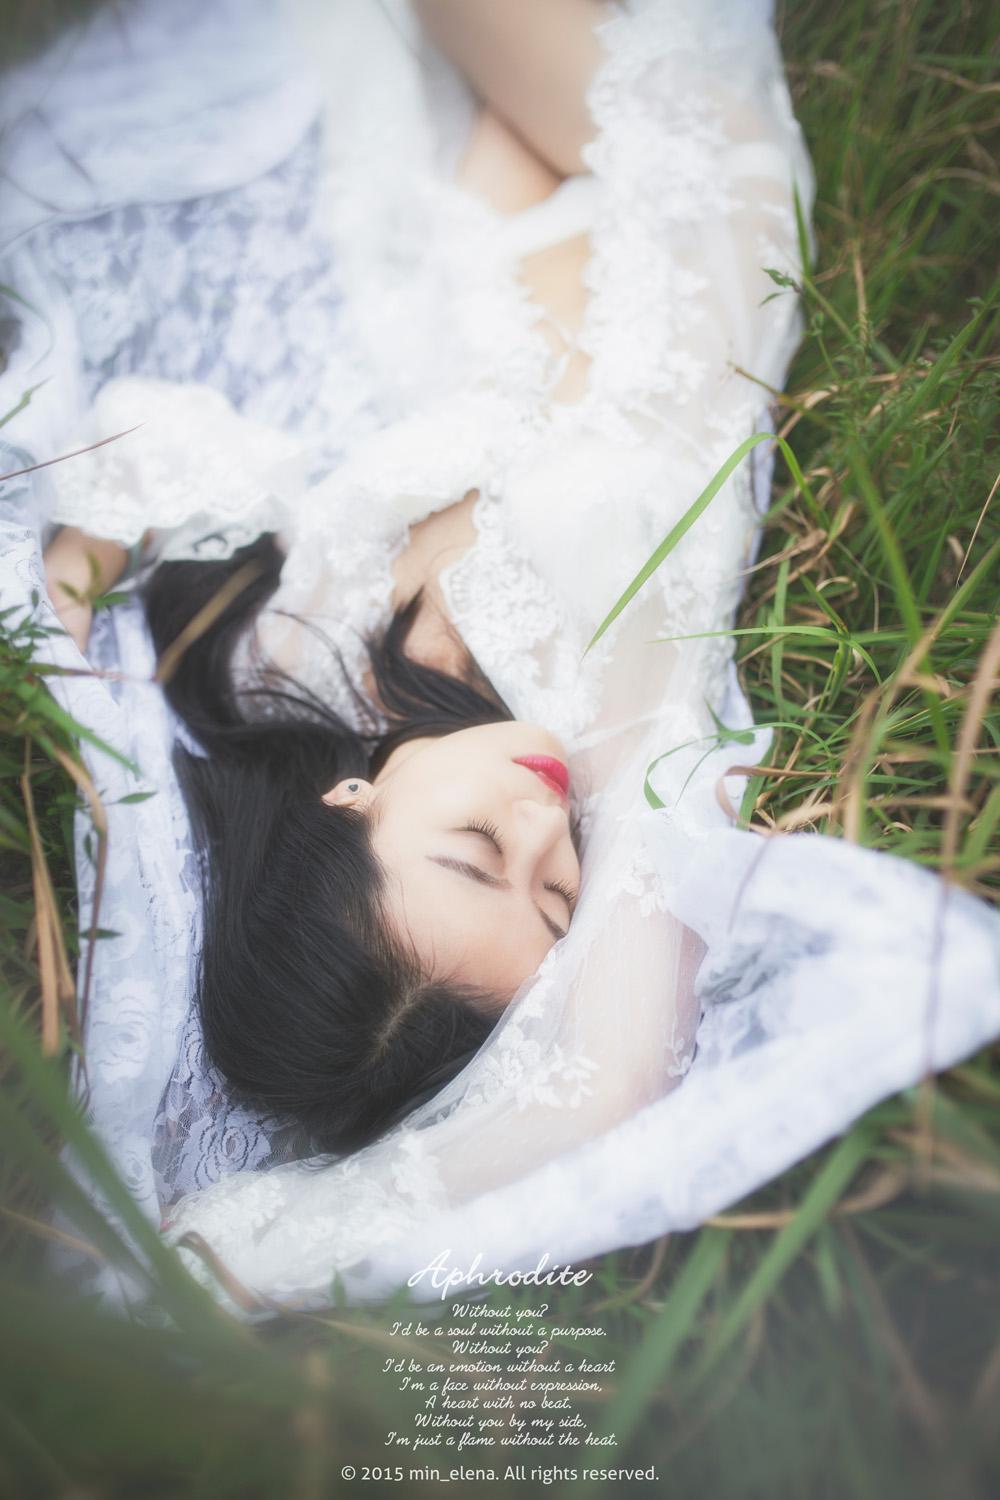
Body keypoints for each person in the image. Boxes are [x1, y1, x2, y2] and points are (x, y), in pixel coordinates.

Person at [16, 0, 996, 1316]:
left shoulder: (289, 669)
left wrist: (68, 584)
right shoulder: (623, 715)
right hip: (673, 191)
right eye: (553, 899)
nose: (545, 822)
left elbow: (150, 464)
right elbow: (610, 1077)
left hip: (458, 217)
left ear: (348, 800)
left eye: (478, 850)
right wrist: (263, 1255)